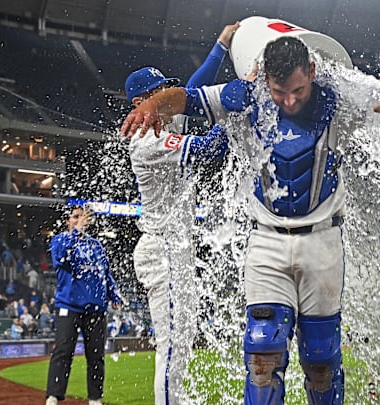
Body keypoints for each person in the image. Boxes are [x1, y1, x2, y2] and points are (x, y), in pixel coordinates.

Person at [120, 36, 380, 404]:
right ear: (266, 83)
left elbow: (379, 101)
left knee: (321, 358)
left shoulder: (335, 98)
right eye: (279, 91)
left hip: (322, 241)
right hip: (262, 241)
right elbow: (190, 100)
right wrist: (164, 103)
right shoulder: (241, 101)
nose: (289, 101)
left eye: (297, 90)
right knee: (261, 351)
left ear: (311, 72)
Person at [126, 21, 238, 405]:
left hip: (175, 246)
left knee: (182, 340)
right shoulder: (148, 138)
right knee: (172, 344)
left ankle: (178, 399)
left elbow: (190, 91)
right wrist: (236, 110)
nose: (166, 97)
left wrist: (221, 46)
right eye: (157, 93)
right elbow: (210, 149)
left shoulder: (165, 120)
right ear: (141, 102)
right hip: (163, 249)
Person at [45, 205, 122, 405]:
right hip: (68, 306)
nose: (80, 220)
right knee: (63, 351)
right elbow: (61, 258)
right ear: (68, 221)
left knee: (96, 356)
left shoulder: (96, 245)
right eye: (75, 217)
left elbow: (105, 274)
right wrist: (77, 231)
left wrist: (114, 294)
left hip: (96, 309)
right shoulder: (60, 240)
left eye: (83, 217)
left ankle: (95, 399)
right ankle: (53, 396)